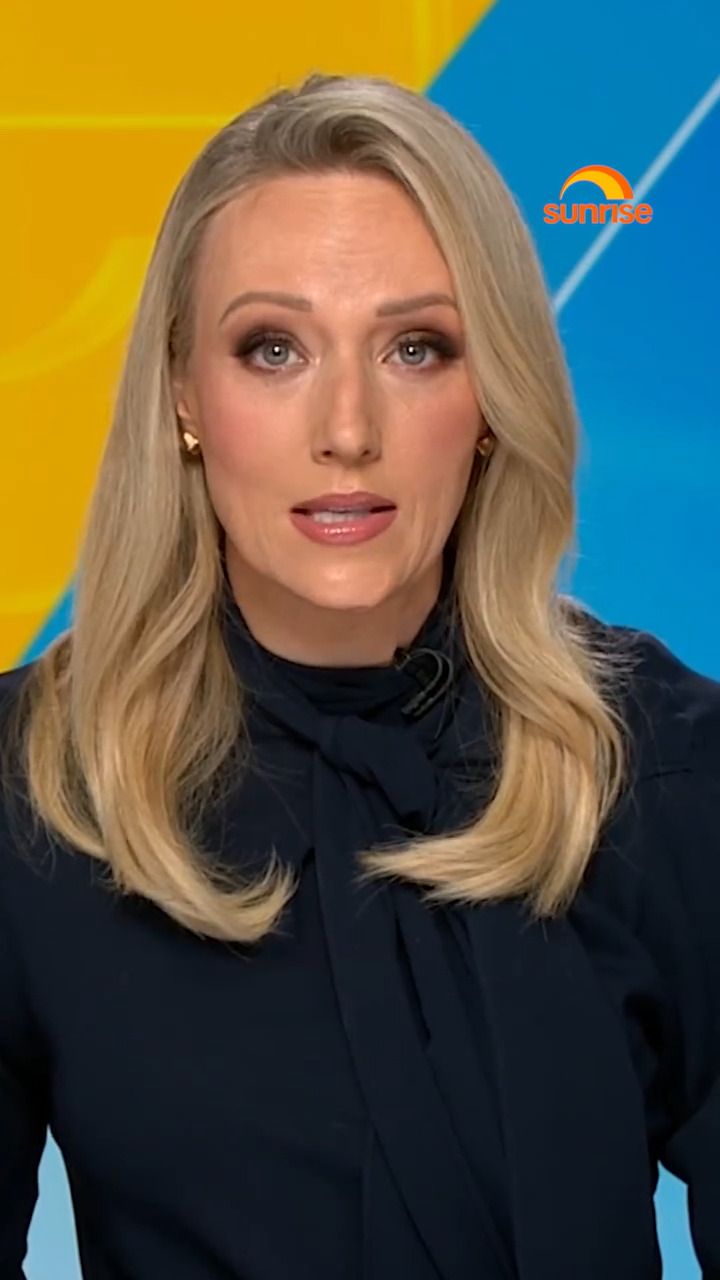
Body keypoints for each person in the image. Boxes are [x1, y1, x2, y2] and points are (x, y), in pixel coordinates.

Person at [0, 71, 718, 1280]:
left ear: (490, 398)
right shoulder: (34, 785)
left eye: (416, 347)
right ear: (184, 395)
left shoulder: (669, 768)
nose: (347, 428)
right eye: (272, 348)